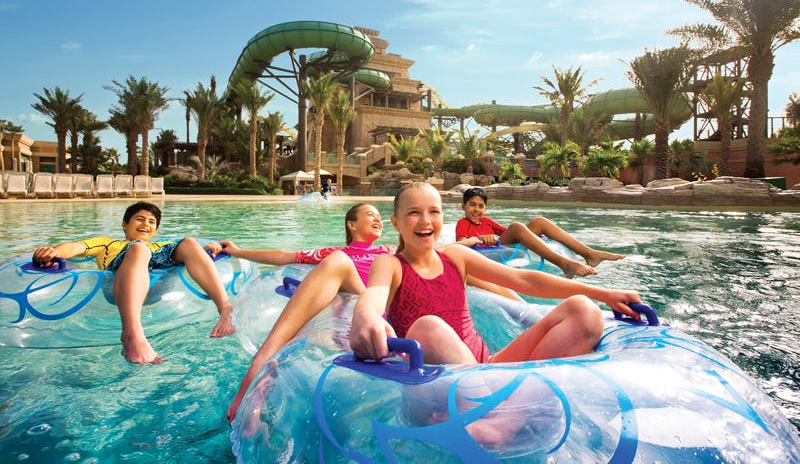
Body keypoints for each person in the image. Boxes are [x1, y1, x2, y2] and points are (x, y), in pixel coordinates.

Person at [349, 182, 642, 442]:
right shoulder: (391, 264)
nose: (425, 221)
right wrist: (365, 316)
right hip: (433, 385)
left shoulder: (456, 256)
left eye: (434, 212)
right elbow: (373, 295)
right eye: (414, 213)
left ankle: (503, 422)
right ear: (396, 222)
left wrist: (603, 294)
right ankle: (500, 413)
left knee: (584, 310)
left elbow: (523, 280)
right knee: (428, 327)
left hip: (484, 368)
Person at [223, 203, 520, 423]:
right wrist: (237, 251)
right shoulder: (336, 254)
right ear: (351, 225)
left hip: (381, 302)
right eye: (369, 214)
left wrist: (468, 243)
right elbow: (284, 256)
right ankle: (260, 367)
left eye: (379, 216)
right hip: (358, 296)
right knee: (339, 261)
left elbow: (434, 250)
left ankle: (521, 307)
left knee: (452, 266)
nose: (377, 218)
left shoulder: (390, 253)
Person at [32, 201, 234, 365]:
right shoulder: (107, 243)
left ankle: (225, 308)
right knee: (138, 248)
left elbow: (196, 255)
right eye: (139, 219)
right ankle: (131, 334)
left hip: (158, 287)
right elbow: (76, 247)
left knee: (189, 242)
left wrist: (209, 248)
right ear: (124, 224)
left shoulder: (161, 245)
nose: (146, 224)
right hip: (121, 284)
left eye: (152, 222)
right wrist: (53, 253)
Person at [455, 186, 624, 278]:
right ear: (463, 206)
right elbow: (461, 244)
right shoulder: (463, 223)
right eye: (472, 205)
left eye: (480, 206)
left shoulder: (486, 221)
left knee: (539, 222)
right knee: (517, 226)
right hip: (485, 254)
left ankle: (589, 254)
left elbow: (509, 233)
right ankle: (564, 264)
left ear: (485, 208)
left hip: (499, 247)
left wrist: (532, 235)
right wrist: (480, 238)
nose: (476, 210)